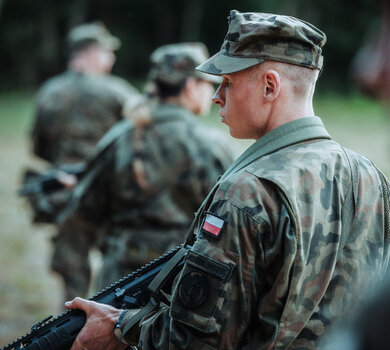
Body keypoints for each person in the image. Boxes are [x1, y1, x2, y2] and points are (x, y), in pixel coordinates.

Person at [65, 10, 390, 350]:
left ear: (270, 86)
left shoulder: (247, 191)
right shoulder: (371, 175)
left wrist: (120, 326)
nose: (217, 95)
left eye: (229, 82)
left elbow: (195, 340)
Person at [54, 42, 237, 300]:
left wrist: (76, 287)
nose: (212, 92)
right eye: (206, 84)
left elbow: (81, 215)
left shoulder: (118, 139)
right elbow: (233, 224)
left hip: (116, 288)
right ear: (189, 86)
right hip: (182, 286)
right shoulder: (211, 145)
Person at [31, 21, 139, 166]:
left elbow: (38, 146)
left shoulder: (49, 90)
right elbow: (141, 134)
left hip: (60, 180)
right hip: (107, 182)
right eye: (107, 52)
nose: (112, 58)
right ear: (91, 52)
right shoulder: (118, 90)